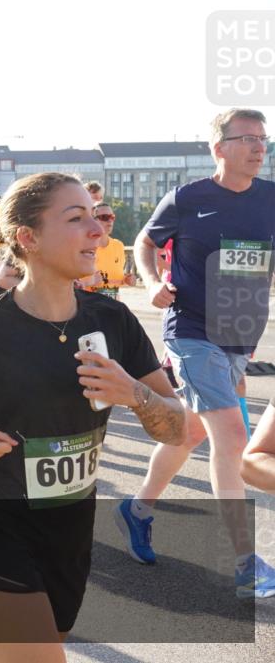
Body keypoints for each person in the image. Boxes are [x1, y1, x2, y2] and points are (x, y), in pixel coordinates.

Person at [0, 172, 185, 663]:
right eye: (77, 219)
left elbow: (178, 427)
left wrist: (135, 393)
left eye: (95, 218)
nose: (97, 230)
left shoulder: (112, 321)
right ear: (27, 238)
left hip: (70, 530)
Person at [119, 108, 275, 598]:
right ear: (219, 147)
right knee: (230, 436)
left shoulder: (272, 198)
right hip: (191, 331)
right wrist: (151, 282)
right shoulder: (188, 198)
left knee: (188, 433)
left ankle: (137, 508)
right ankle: (245, 560)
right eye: (247, 138)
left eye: (263, 139)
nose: (258, 147)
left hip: (239, 337)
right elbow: (145, 243)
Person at [78, 202, 136, 300]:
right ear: (92, 220)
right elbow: (67, 285)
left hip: (112, 307)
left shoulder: (118, 246)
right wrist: (89, 282)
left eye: (112, 217)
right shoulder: (82, 247)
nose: (110, 221)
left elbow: (114, 280)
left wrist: (127, 280)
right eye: (104, 217)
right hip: (87, 307)